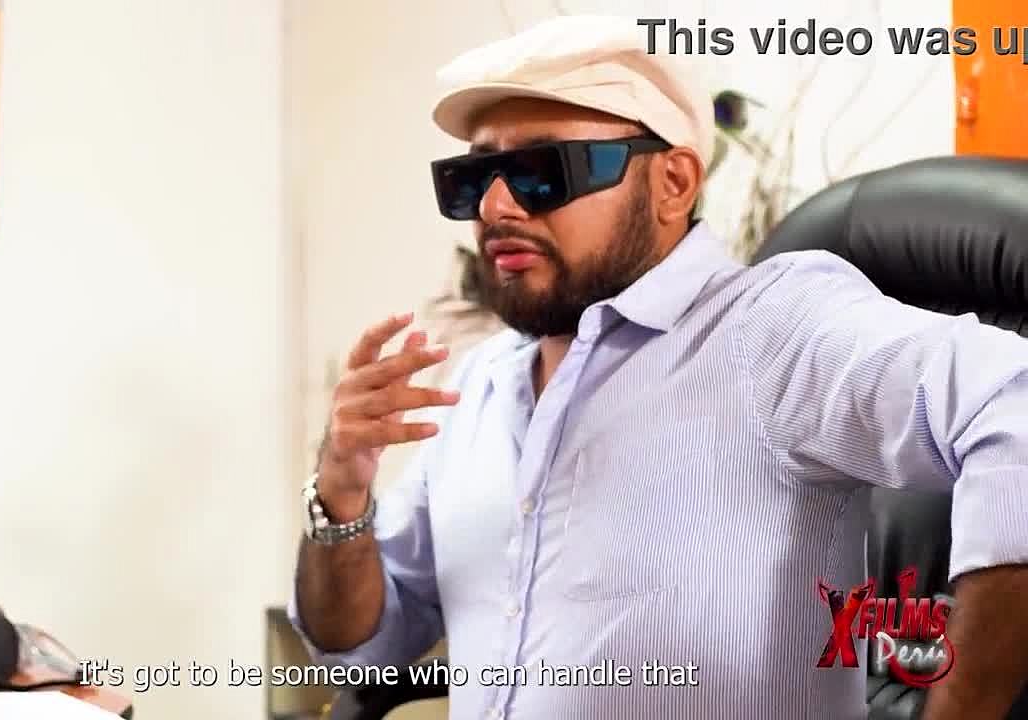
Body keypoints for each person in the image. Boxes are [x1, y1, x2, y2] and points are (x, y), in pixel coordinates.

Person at [289, 15, 1028, 720]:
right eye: (470, 179)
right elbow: (360, 648)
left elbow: (1015, 402)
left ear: (673, 183)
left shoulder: (773, 329)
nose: (496, 205)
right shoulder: (477, 384)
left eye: (541, 171)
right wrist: (341, 494)